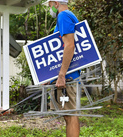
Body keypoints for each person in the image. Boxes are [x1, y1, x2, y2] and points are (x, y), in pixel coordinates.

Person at [43, 0, 80, 136]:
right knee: (68, 115)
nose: (49, 8)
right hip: (68, 74)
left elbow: (69, 45)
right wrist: (50, 76)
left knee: (70, 115)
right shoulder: (68, 15)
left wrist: (61, 75)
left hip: (68, 76)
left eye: (50, 5)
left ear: (56, 3)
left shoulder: (63, 16)